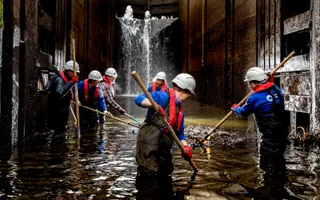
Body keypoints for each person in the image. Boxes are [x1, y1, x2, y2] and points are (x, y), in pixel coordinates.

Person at [134, 73, 196, 176]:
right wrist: (155, 106)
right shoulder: (163, 96)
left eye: (185, 92)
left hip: (163, 146)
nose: (182, 94)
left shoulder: (180, 112)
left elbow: (180, 133)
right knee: (149, 174)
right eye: (179, 90)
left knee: (166, 170)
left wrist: (185, 147)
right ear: (175, 87)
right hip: (149, 143)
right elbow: (138, 99)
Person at [231, 66, 289, 156]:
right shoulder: (275, 88)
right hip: (282, 130)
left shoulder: (254, 98)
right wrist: (270, 80)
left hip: (269, 134)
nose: (249, 86)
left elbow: (244, 112)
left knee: (268, 158)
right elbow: (271, 94)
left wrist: (235, 108)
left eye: (249, 83)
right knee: (279, 153)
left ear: (255, 83)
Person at [45, 60, 79, 133]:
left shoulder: (66, 79)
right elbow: (59, 93)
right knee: (58, 132)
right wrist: (71, 82)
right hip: (57, 113)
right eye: (73, 72)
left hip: (62, 111)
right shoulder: (59, 79)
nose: (74, 74)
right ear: (68, 71)